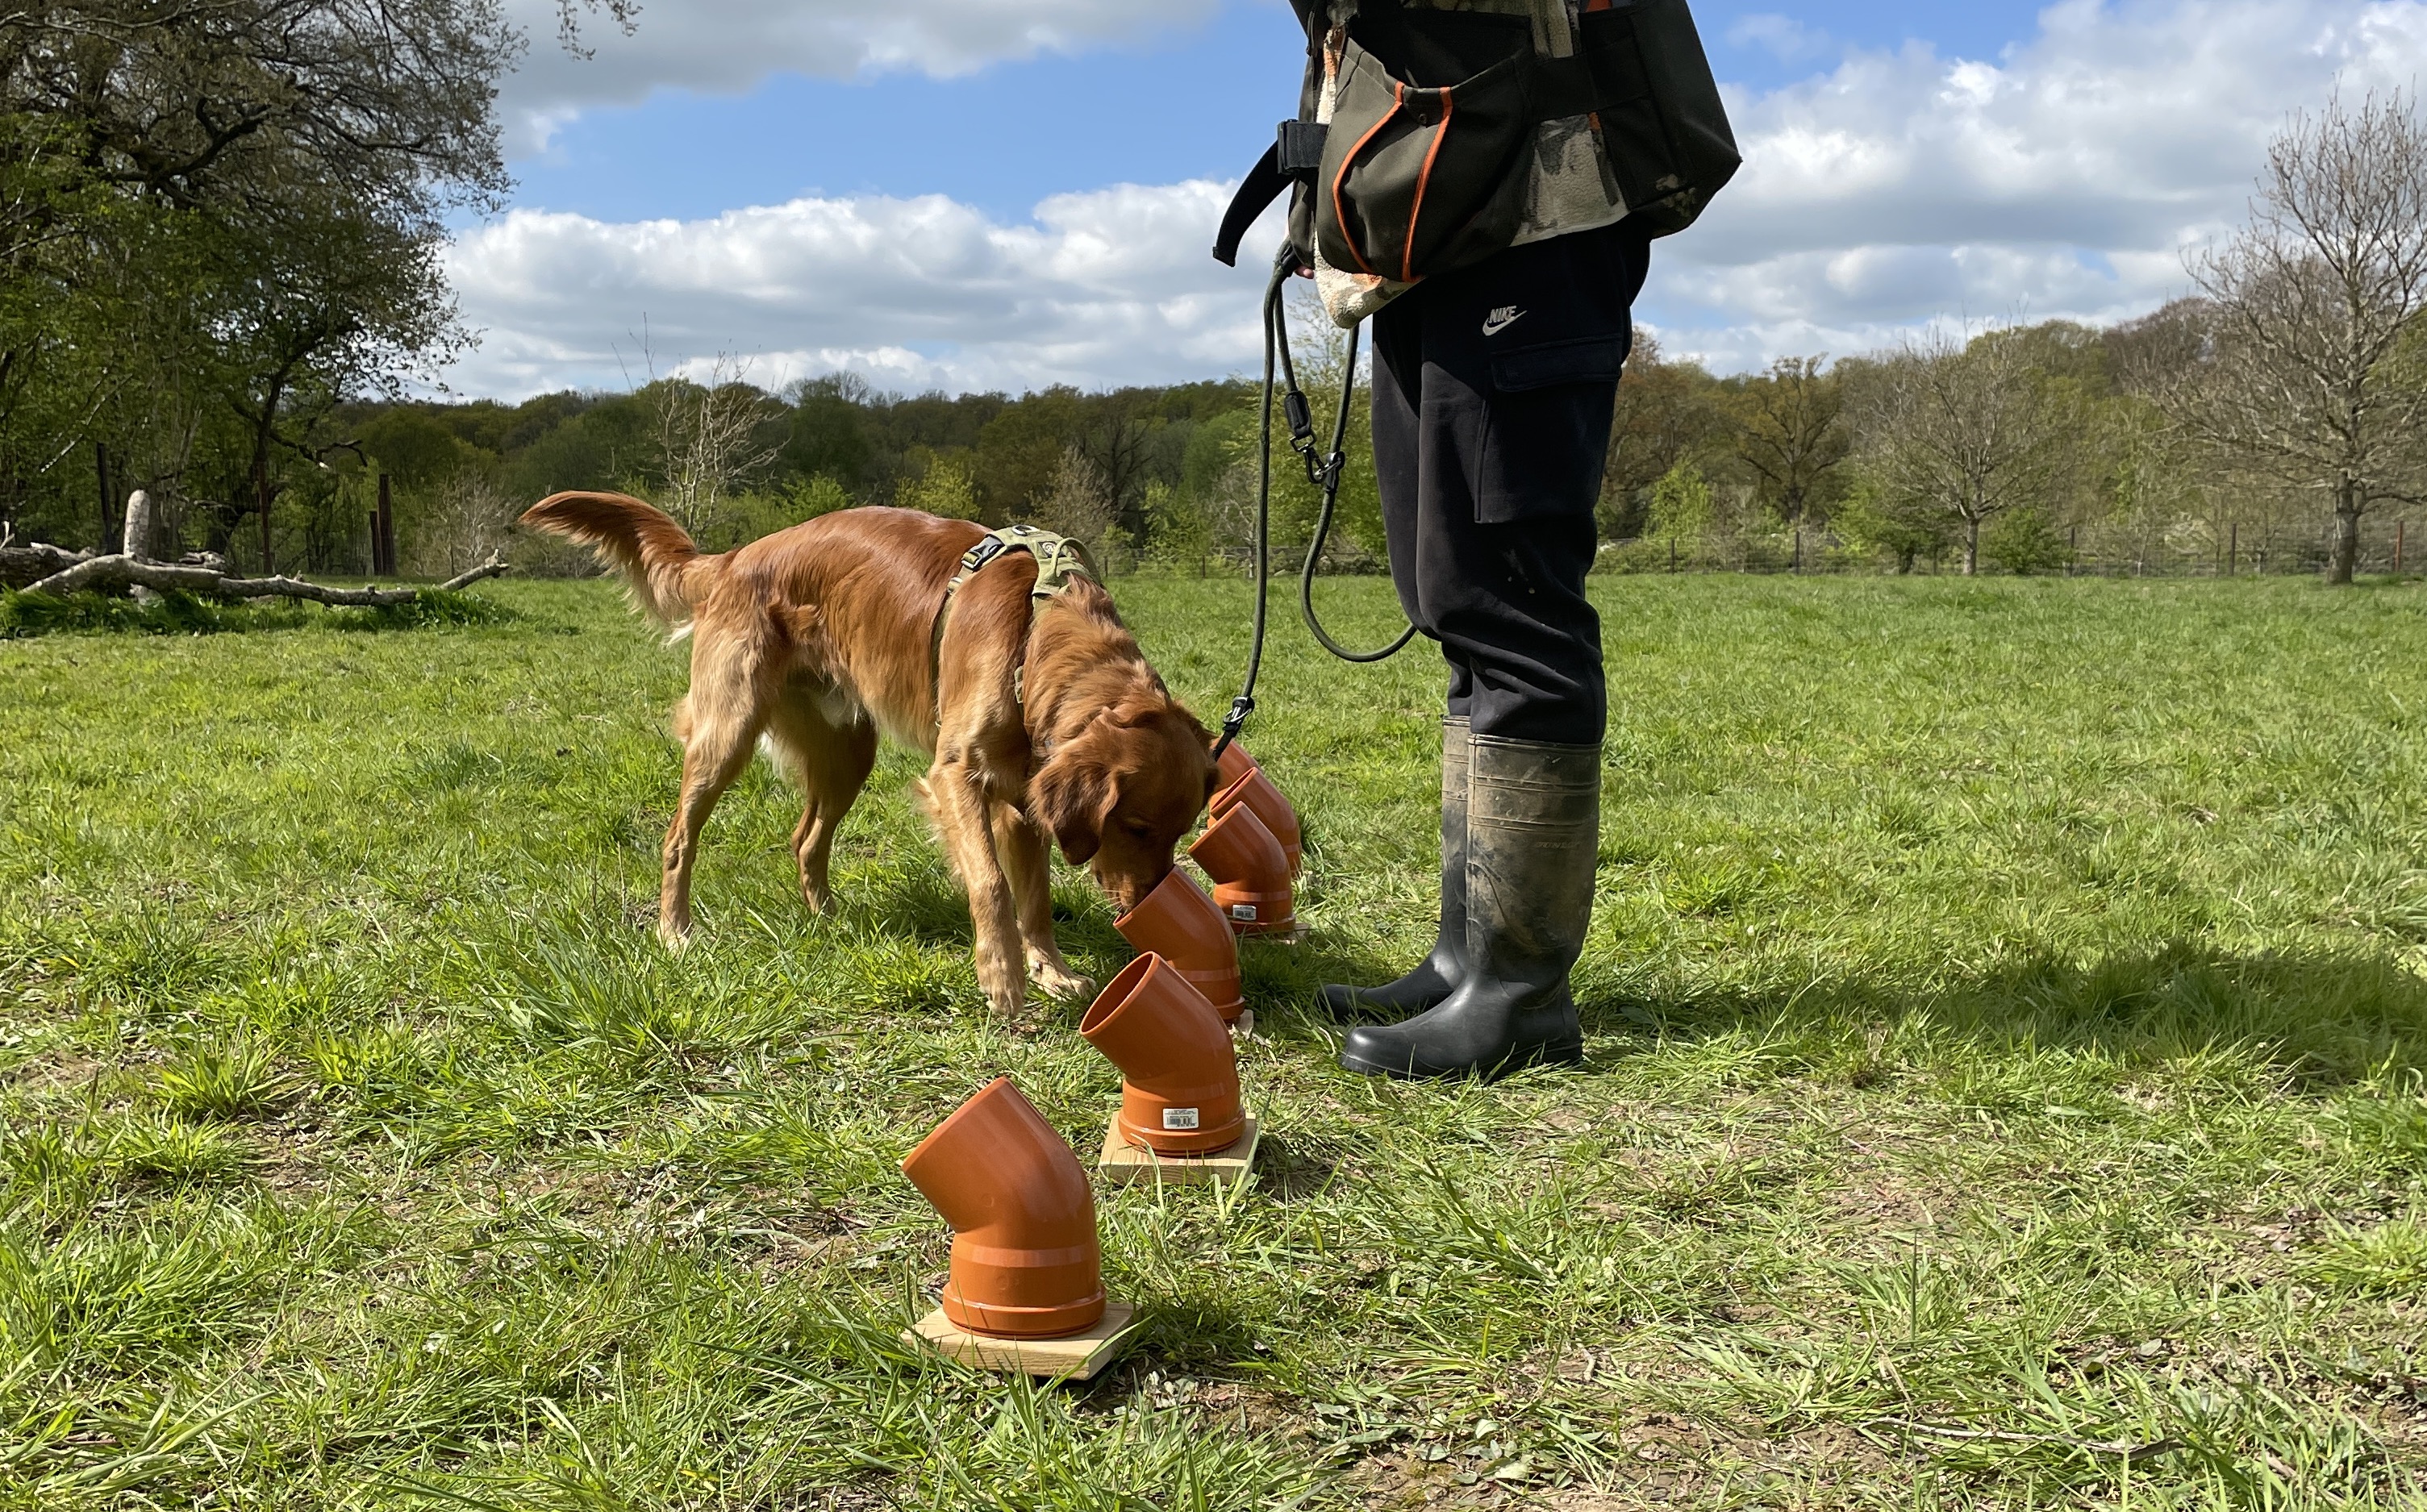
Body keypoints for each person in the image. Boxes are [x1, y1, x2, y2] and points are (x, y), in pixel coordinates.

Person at [1240, 0, 1732, 1079]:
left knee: (1513, 605)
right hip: (1438, 228)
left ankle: (1519, 991)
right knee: (1457, 602)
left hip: (1536, 216)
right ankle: (1466, 958)